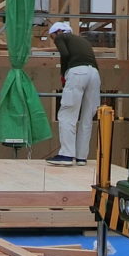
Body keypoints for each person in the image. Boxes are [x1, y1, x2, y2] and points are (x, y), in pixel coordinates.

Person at [45, 21, 100, 166]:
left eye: (52, 37)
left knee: (67, 113)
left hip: (77, 72)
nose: (54, 40)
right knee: (87, 117)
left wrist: (63, 74)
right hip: (94, 74)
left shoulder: (61, 37)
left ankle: (66, 155)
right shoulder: (82, 40)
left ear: (57, 32)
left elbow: (64, 54)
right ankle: (81, 157)